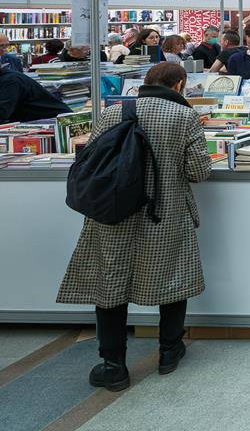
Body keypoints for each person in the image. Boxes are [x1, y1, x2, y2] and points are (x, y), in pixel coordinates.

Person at [57, 62, 212, 391]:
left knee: (111, 282)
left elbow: (88, 159)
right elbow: (199, 171)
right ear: (180, 84)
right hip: (164, 212)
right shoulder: (184, 117)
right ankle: (170, 350)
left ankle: (112, 364)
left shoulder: (114, 112)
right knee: (172, 277)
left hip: (113, 213)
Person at [0, 57, 71, 121]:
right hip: (37, 120)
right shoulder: (8, 78)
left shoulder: (10, 80)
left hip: (56, 121)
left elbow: (2, 112)